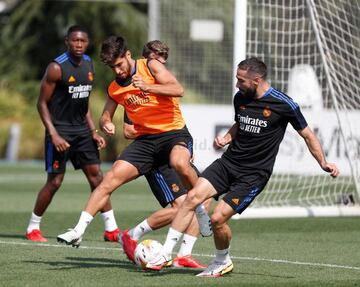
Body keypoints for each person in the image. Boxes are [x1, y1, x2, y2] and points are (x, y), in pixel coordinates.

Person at [145, 57, 340, 277]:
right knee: (192, 197)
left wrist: (323, 162)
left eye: (241, 80)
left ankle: (222, 261)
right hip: (228, 163)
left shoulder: (284, 104)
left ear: (256, 80)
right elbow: (240, 123)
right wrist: (227, 138)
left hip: (253, 175)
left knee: (217, 219)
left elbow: (307, 135)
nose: (237, 85)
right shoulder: (241, 98)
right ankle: (165, 253)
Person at [57, 35, 211, 248]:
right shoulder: (115, 87)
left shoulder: (150, 66)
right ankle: (78, 230)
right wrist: (107, 122)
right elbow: (105, 115)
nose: (118, 71)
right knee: (108, 181)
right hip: (146, 142)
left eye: (119, 64)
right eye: (112, 67)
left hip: (173, 133)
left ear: (128, 55)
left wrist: (148, 87)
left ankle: (201, 209)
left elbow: (178, 89)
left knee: (179, 163)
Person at [26, 25, 120, 243]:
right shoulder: (56, 68)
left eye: (83, 41)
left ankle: (111, 229)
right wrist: (54, 135)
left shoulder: (89, 63)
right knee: (55, 181)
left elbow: (83, 104)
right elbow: (41, 104)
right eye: (75, 41)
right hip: (59, 132)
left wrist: (93, 132)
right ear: (67, 41)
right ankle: (33, 227)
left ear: (87, 43)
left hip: (82, 133)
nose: (79, 45)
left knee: (98, 178)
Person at [118, 41, 207, 268]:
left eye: (164, 58)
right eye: (157, 58)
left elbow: (176, 119)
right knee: (181, 206)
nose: (161, 63)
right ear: (146, 60)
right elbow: (128, 130)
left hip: (176, 150)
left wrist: (186, 149)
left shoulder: (166, 82)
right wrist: (152, 133)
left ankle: (184, 254)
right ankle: (130, 234)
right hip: (157, 157)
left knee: (200, 197)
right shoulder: (134, 86)